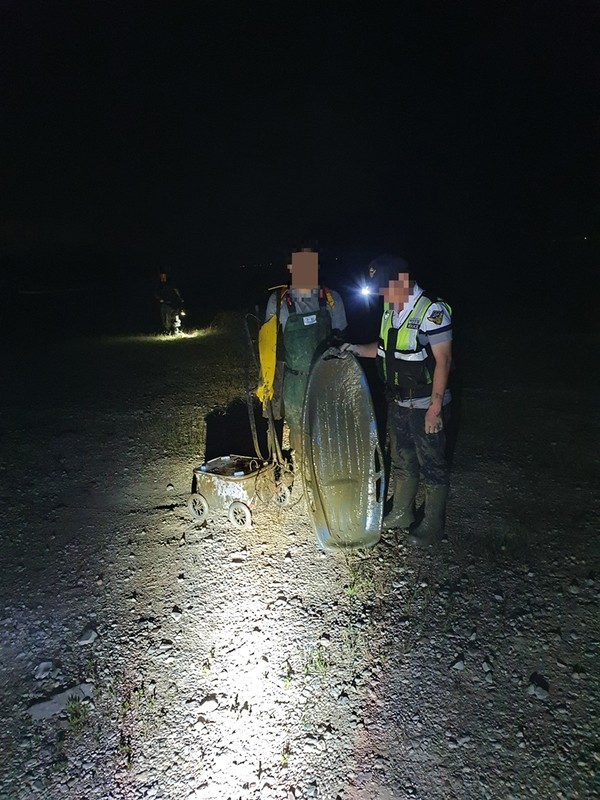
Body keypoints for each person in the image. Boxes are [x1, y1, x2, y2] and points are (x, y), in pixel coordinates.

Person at [344, 255, 452, 546]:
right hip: (398, 403)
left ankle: (433, 524)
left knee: (432, 463)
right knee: (403, 460)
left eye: (385, 288)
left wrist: (436, 408)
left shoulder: (432, 310)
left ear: (403, 280)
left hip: (425, 403)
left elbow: (443, 361)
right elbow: (383, 351)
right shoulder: (391, 311)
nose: (382, 295)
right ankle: (402, 512)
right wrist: (353, 348)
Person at [264, 248, 348, 451]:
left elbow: (343, 342)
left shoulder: (331, 298)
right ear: (290, 266)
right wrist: (267, 384)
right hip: (294, 383)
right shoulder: (278, 301)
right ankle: (304, 471)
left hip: (325, 379)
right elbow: (268, 348)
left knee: (329, 432)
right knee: (300, 435)